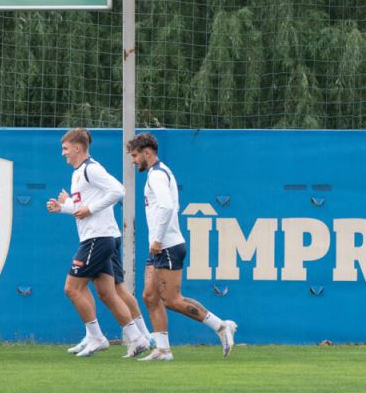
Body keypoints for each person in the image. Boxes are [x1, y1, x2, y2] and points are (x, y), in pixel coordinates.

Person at [127, 133, 237, 360]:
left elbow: (167, 207)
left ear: (147, 153)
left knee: (171, 299)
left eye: (135, 155)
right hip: (159, 247)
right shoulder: (158, 172)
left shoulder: (157, 175)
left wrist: (157, 239)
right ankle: (163, 349)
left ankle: (221, 326)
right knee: (149, 296)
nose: (133, 161)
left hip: (166, 246)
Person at [46, 128, 151, 358]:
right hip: (95, 237)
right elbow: (82, 209)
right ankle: (137, 338)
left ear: (77, 147)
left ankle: (96, 337)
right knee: (106, 293)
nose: (63, 153)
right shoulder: (77, 173)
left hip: (98, 238)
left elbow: (118, 190)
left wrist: (89, 208)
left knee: (72, 288)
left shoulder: (91, 169)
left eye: (65, 148)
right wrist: (62, 207)